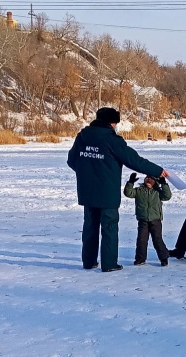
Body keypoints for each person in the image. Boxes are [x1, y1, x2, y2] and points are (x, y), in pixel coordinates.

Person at [67, 107, 168, 272]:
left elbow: (72, 161)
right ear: (112, 123)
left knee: (90, 226)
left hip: (87, 191)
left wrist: (88, 172)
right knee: (109, 227)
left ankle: (89, 261)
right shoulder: (112, 141)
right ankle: (109, 264)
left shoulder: (82, 137)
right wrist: (156, 170)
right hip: (107, 193)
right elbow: (134, 160)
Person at [123, 173, 172, 266]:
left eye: (152, 178)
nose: (149, 180)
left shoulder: (158, 192)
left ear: (156, 181)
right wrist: (130, 182)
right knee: (141, 240)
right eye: (147, 178)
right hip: (143, 220)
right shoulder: (139, 190)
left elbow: (167, 196)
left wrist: (164, 184)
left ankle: (164, 258)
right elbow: (128, 193)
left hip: (155, 220)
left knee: (157, 239)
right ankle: (140, 259)